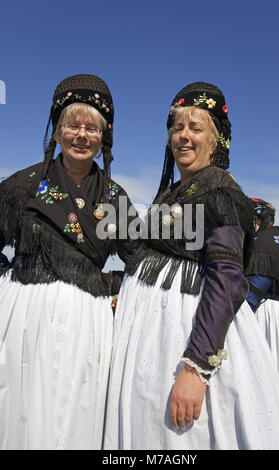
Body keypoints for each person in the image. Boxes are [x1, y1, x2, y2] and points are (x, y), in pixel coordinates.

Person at [104, 82, 279, 450]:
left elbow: (228, 278)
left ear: (216, 140)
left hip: (187, 341)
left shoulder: (220, 191)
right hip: (151, 346)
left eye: (196, 128)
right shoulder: (172, 193)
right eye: (177, 128)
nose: (183, 137)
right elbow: (150, 265)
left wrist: (196, 369)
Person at [0, 74, 137, 450]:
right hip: (25, 315)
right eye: (72, 125)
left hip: (87, 319)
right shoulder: (21, 186)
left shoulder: (113, 197)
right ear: (57, 132)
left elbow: (140, 257)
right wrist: (7, 280)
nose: (81, 135)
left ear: (103, 137)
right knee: (23, 406)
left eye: (91, 127)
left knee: (77, 412)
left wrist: (111, 283)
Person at [246, 198, 279, 441]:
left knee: (266, 384)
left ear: (258, 220)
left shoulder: (262, 243)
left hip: (269, 317)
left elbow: (254, 290)